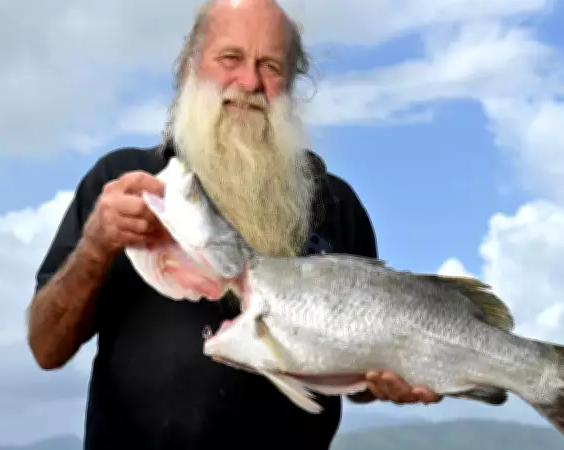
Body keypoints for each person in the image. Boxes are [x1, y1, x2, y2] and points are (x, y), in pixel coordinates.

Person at [26, 0, 443, 448]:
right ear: (190, 67)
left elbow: (354, 377)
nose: (249, 82)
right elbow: (46, 349)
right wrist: (94, 248)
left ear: (291, 83)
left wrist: (387, 379)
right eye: (231, 58)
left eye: (270, 65)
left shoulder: (336, 204)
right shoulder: (124, 183)